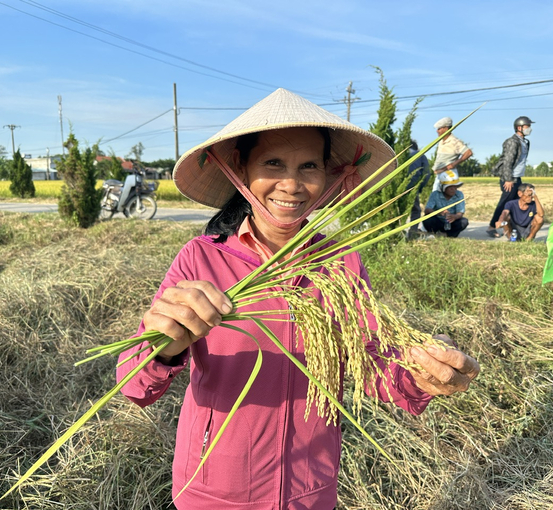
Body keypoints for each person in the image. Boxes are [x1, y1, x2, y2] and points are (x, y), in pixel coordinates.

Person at [117, 89, 480, 510]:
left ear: (328, 175)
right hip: (215, 488)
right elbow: (135, 386)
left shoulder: (342, 263)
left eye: (309, 166)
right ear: (241, 168)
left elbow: (370, 363)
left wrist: (423, 370)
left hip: (309, 488)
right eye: (273, 163)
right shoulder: (201, 258)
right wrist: (163, 346)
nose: (291, 184)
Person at [487, 116, 534, 238]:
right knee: (504, 203)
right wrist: (508, 179)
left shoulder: (525, 142)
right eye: (527, 126)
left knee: (514, 203)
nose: (529, 128)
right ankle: (492, 226)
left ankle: (509, 226)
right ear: (519, 127)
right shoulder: (512, 142)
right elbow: (508, 162)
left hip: (517, 177)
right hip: (509, 178)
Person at [431, 117, 472, 192]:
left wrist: (454, 164)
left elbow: (468, 153)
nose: (437, 131)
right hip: (440, 174)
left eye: (439, 128)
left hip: (448, 175)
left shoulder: (454, 141)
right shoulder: (441, 141)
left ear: (446, 128)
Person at [422, 171, 468, 238]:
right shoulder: (435, 194)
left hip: (452, 222)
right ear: (443, 187)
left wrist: (454, 217)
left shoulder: (459, 194)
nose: (454, 189)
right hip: (438, 220)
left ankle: (449, 235)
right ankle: (434, 233)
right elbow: (427, 210)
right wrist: (439, 212)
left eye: (455, 187)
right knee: (427, 219)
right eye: (450, 187)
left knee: (464, 221)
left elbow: (460, 213)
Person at [406, 140, 431, 239]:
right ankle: (412, 234)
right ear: (416, 147)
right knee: (415, 210)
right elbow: (426, 174)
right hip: (412, 186)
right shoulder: (419, 155)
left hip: (394, 186)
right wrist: (419, 188)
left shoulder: (396, 153)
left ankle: (394, 234)